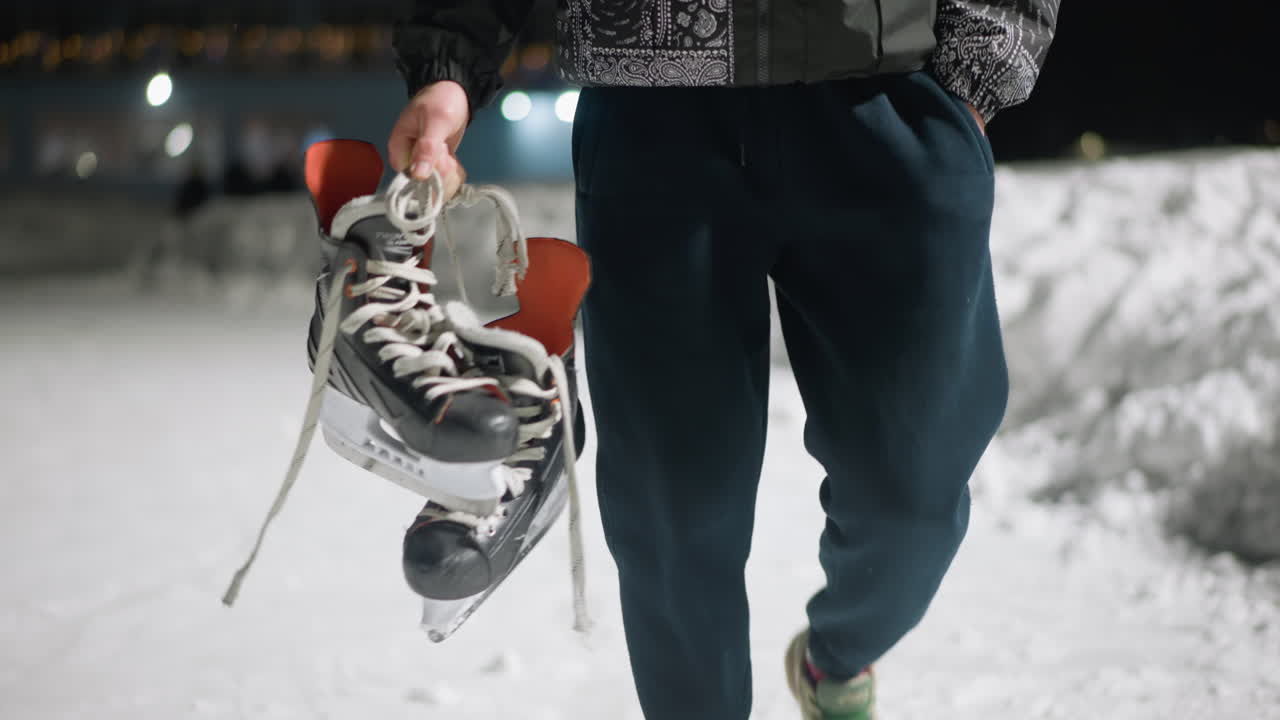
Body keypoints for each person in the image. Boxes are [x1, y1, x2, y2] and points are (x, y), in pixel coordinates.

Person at [386, 2, 1059, 718]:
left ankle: (838, 655)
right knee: (673, 512)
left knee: (912, 485)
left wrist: (980, 69)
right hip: (652, 109)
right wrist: (447, 65)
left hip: (887, 91)